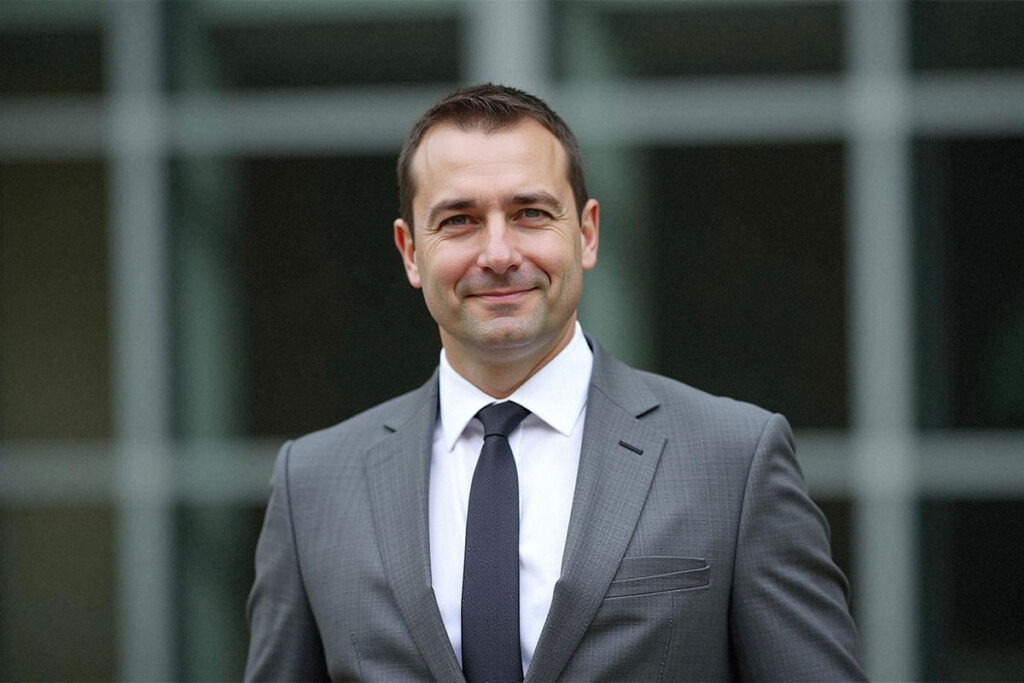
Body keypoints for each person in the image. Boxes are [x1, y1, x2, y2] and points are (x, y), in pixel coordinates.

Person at [245, 84, 866, 682]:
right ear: (410, 251)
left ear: (587, 233)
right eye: (459, 220)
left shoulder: (734, 461)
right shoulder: (314, 485)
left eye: (530, 213)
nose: (498, 253)